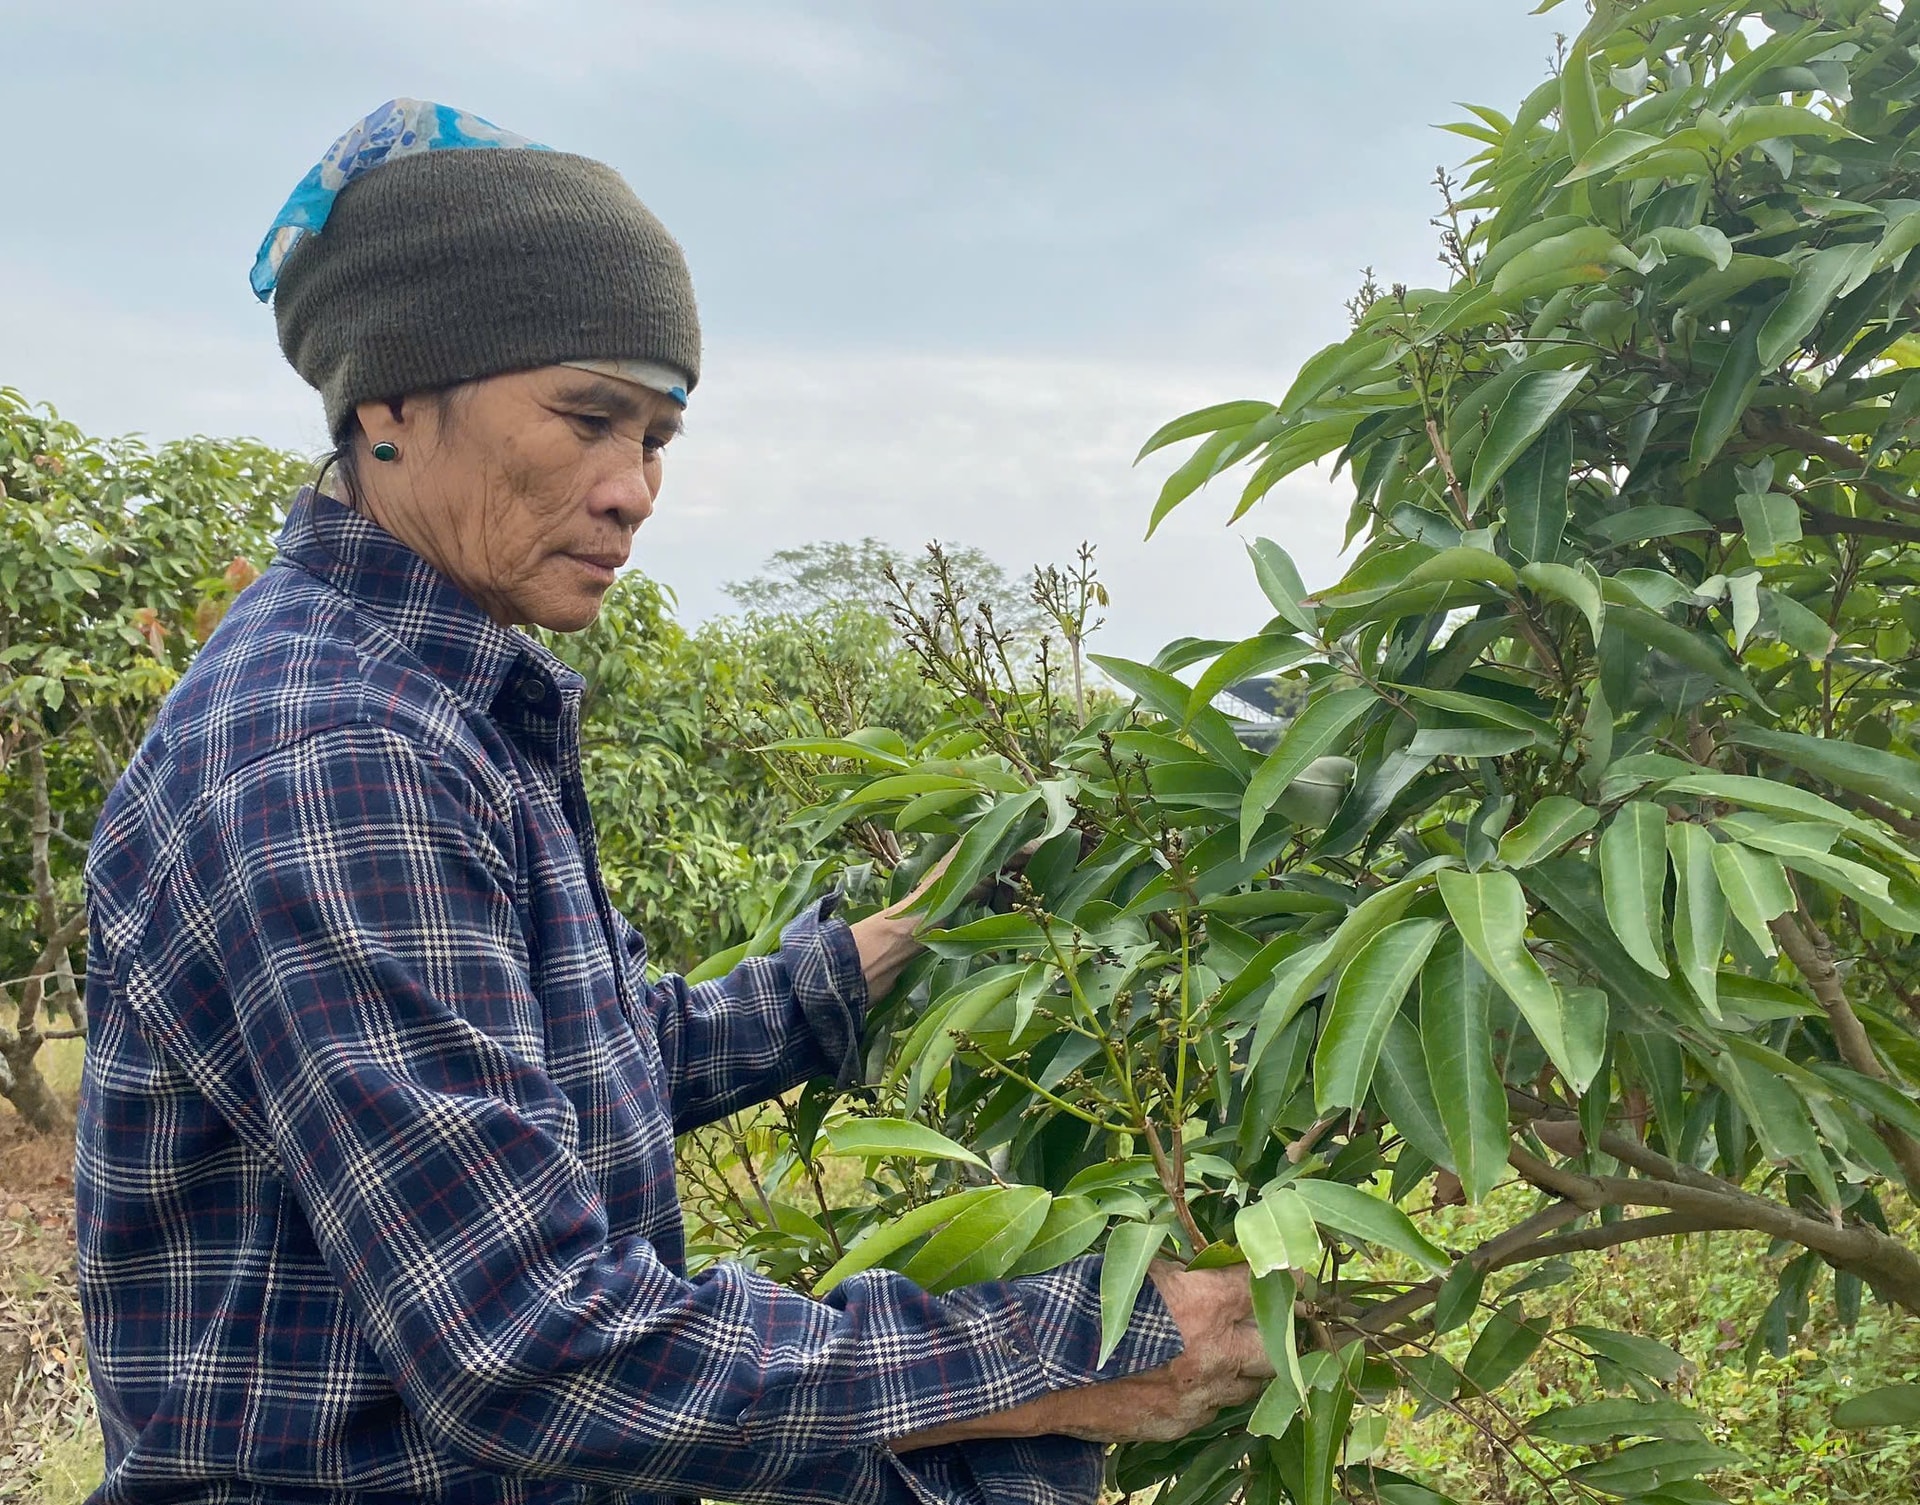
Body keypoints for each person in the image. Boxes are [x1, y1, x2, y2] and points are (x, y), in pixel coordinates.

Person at [75, 100, 1270, 1505]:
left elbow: (589, 1052)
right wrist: (1088, 1346)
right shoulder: (345, 748)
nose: (634, 490)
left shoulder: (442, 697)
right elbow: (531, 1344)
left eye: (658, 437)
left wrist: (883, 950)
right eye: (589, 420)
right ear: (390, 401)